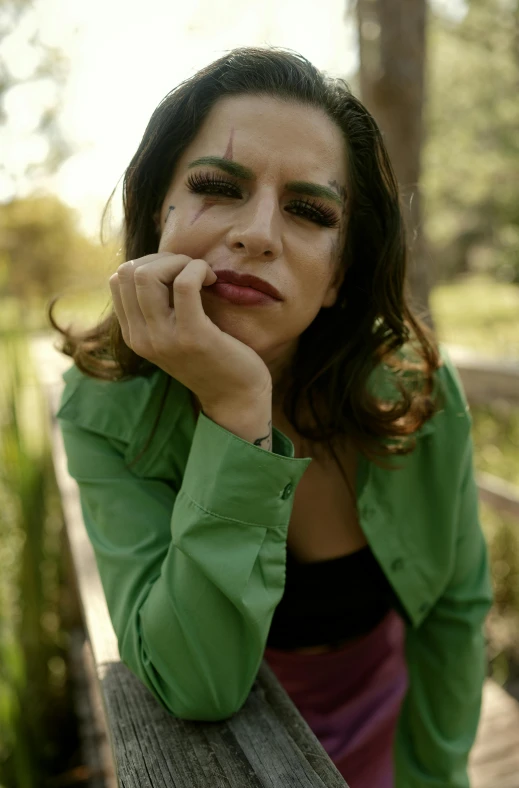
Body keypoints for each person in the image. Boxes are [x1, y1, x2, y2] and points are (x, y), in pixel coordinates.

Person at [49, 47, 493, 787]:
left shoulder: (413, 391)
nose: (258, 233)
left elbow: (454, 609)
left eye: (308, 210)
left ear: (337, 277)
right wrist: (234, 411)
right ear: (158, 213)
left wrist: (434, 774)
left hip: (397, 735)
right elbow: (197, 684)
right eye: (218, 188)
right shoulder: (103, 411)